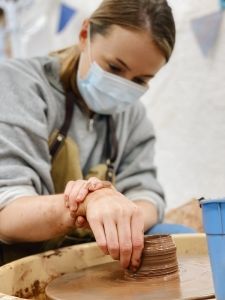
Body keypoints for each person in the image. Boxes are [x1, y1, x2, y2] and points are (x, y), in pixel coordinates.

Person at [0, 0, 191, 268]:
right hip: (22, 257)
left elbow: (147, 194)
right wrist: (86, 203)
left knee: (183, 238)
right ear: (83, 34)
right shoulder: (19, 85)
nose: (123, 86)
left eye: (140, 81)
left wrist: (125, 214)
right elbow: (7, 214)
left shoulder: (132, 116)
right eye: (114, 68)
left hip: (91, 255)